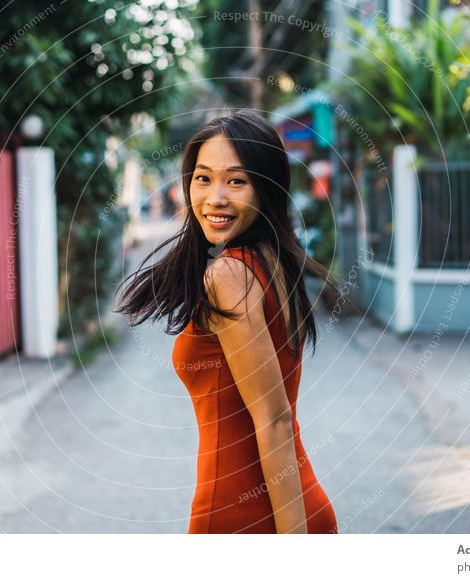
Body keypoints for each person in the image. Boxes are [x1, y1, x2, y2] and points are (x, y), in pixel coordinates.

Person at [114, 109, 340, 534]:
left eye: (236, 180)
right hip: (291, 502)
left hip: (244, 516)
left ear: (266, 189)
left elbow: (272, 421)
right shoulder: (271, 261)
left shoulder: (229, 275)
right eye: (203, 178)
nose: (215, 197)